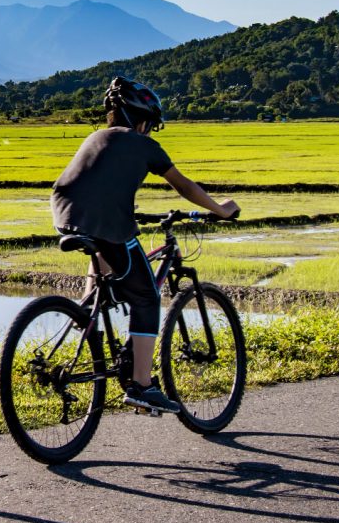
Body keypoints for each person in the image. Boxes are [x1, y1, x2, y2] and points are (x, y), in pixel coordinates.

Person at [51, 77, 238, 413]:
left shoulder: (95, 138)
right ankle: (142, 384)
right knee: (146, 295)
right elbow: (184, 187)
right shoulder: (143, 144)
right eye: (151, 124)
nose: (150, 130)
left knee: (103, 260)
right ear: (141, 119)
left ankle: (85, 312)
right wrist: (221, 210)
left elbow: (99, 185)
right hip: (107, 222)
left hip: (65, 213)